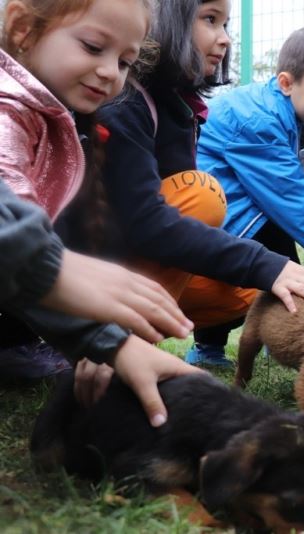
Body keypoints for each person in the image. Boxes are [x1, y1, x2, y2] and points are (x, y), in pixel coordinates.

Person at [57, 0, 304, 368]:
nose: (224, 39)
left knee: (258, 290)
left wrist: (272, 271)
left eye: (226, 25)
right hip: (90, 264)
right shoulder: (126, 103)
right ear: (167, 19)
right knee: (202, 194)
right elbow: (147, 223)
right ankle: (114, 345)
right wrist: (270, 262)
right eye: (210, 20)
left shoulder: (181, 108)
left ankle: (137, 337)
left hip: (136, 260)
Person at [0, 0, 201, 427]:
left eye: (126, 61)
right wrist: (57, 268)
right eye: (93, 47)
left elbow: (16, 259)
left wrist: (106, 342)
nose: (111, 71)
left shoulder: (49, 115)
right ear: (21, 28)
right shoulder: (8, 104)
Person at [196, 25, 304, 356]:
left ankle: (269, 337)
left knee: (280, 260)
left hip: (238, 207)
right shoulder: (259, 120)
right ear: (286, 83)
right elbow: (292, 197)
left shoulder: (283, 112)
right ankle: (213, 344)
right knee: (261, 266)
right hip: (220, 215)